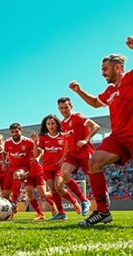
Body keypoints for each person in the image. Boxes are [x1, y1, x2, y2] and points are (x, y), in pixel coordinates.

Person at [69, 36, 133, 226]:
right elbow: (97, 103)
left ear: (118, 68)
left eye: (105, 69)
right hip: (118, 138)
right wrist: (79, 91)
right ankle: (102, 211)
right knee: (94, 163)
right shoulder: (110, 91)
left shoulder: (131, 78)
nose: (102, 73)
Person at [31, 114, 81, 220]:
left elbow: (70, 149)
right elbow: (36, 155)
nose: (51, 126)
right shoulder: (43, 138)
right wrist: (35, 142)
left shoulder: (64, 135)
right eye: (48, 124)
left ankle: (74, 201)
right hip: (47, 168)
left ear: (57, 124)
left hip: (60, 166)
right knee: (53, 190)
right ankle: (61, 213)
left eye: (53, 123)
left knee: (58, 186)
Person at [2, 123, 56, 220]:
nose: (14, 133)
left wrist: (38, 155)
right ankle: (40, 214)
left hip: (31, 169)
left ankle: (56, 196)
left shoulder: (28, 142)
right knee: (25, 193)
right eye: (12, 132)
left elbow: (40, 151)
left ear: (21, 131)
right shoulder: (7, 142)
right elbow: (4, 152)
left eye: (16, 131)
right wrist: (4, 162)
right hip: (19, 170)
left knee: (42, 194)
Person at [57, 97, 100, 217]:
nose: (64, 110)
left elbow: (95, 126)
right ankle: (84, 200)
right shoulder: (63, 123)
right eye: (61, 108)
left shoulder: (78, 116)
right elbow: (66, 141)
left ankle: (102, 204)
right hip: (72, 154)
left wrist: (86, 140)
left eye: (66, 107)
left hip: (85, 151)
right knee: (64, 173)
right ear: (58, 109)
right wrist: (63, 156)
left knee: (92, 178)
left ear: (71, 106)